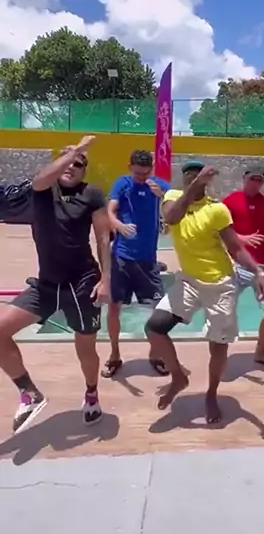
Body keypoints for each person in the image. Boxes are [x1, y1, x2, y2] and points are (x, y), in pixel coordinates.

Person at [144, 159, 264, 424]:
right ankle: (178, 376)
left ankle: (211, 394)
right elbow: (171, 218)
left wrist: (258, 272)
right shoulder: (173, 198)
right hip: (189, 281)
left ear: (207, 180)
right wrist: (195, 186)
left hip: (220, 284)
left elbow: (235, 248)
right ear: (184, 179)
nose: (193, 177)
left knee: (218, 346)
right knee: (154, 327)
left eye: (198, 174)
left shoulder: (217, 209)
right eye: (189, 174)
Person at [0, 137, 111, 432]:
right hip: (47, 285)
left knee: (85, 348)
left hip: (82, 284)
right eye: (67, 161)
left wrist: (106, 279)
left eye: (79, 164)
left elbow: (102, 238)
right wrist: (77, 150)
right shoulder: (42, 189)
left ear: (84, 171)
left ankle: (91, 393)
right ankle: (29, 393)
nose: (72, 166)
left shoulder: (91, 194)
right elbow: (41, 178)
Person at [101, 149, 169, 379]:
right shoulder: (122, 184)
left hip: (148, 260)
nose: (141, 177)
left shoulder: (159, 185)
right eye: (137, 173)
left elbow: (179, 207)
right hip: (122, 258)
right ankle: (114, 354)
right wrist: (119, 226)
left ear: (151, 169)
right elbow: (110, 211)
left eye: (145, 173)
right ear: (130, 167)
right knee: (114, 308)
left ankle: (155, 354)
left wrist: (163, 196)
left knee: (160, 311)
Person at [223, 165, 264, 369]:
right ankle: (220, 352)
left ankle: (260, 352)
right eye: (252, 179)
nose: (255, 183)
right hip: (235, 263)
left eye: (259, 180)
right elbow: (220, 229)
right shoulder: (231, 201)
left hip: (263, 265)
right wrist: (242, 238)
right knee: (222, 308)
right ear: (244, 178)